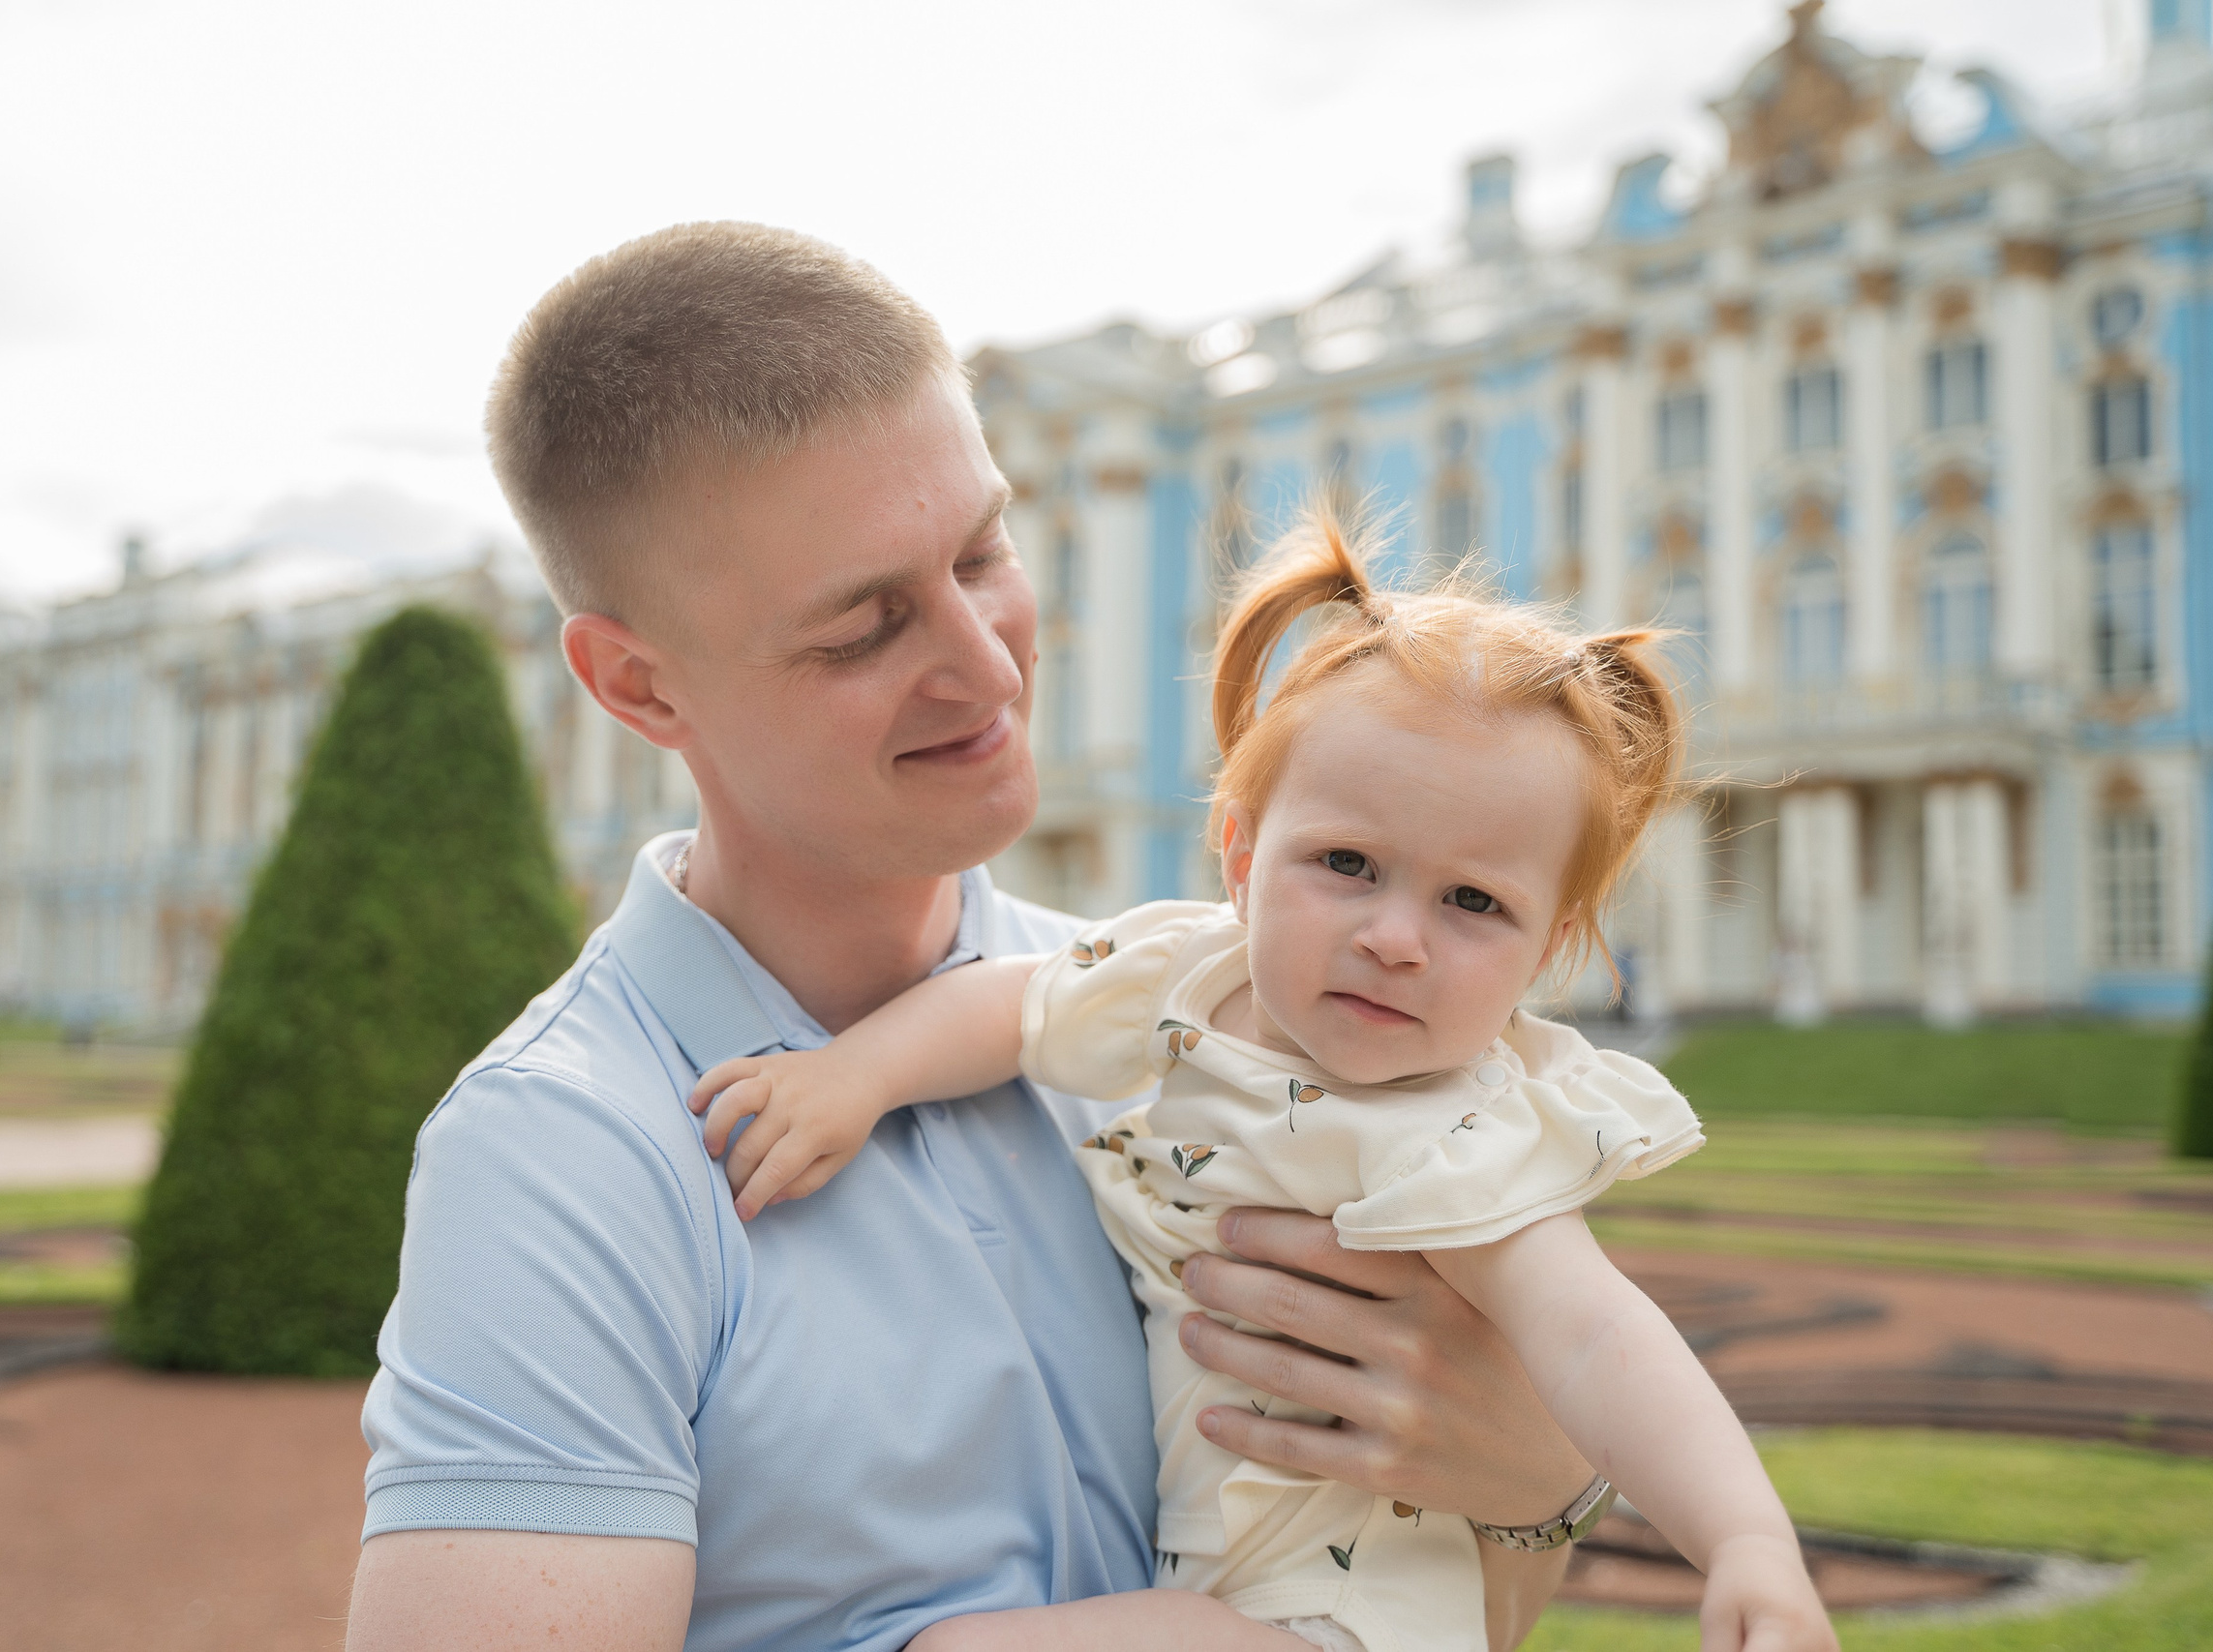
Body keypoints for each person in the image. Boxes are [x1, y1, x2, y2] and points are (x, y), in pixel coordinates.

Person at [345, 224, 1605, 1652]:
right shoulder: (564, 1154)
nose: (991, 658)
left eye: (984, 550)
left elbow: (1427, 1606)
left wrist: (1532, 1486)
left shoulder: (1210, 1025)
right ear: (638, 684)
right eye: (864, 627)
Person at [689, 520, 1839, 1652]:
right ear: (1239, 856)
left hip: (1340, 1620)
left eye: (1472, 903)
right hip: (1194, 1578)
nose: (1397, 938)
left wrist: (1746, 1545)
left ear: (1549, 951)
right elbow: (1009, 1003)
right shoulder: (1185, 977)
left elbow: (1599, 1342)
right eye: (1347, 865)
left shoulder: (1465, 1133)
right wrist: (853, 1077)